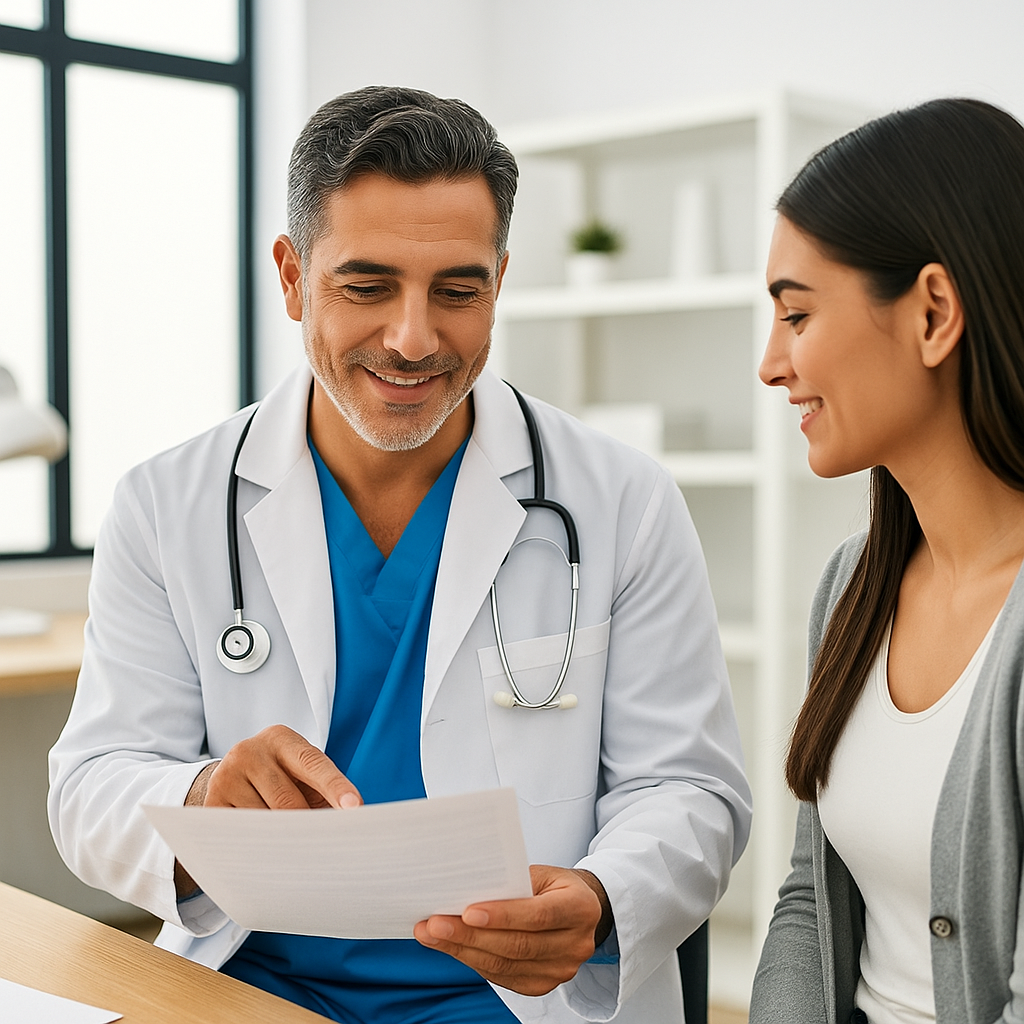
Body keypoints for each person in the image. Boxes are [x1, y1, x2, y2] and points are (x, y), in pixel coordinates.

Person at [47, 86, 750, 1024]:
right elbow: (92, 783)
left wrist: (600, 898)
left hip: (517, 1000)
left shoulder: (621, 500)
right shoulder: (168, 503)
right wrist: (208, 794)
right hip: (256, 987)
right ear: (294, 276)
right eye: (367, 286)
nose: (413, 339)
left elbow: (690, 788)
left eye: (457, 291)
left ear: (500, 280)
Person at [750, 97, 1024, 1024]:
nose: (770, 363)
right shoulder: (854, 586)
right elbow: (806, 902)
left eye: (796, 314)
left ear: (934, 312)